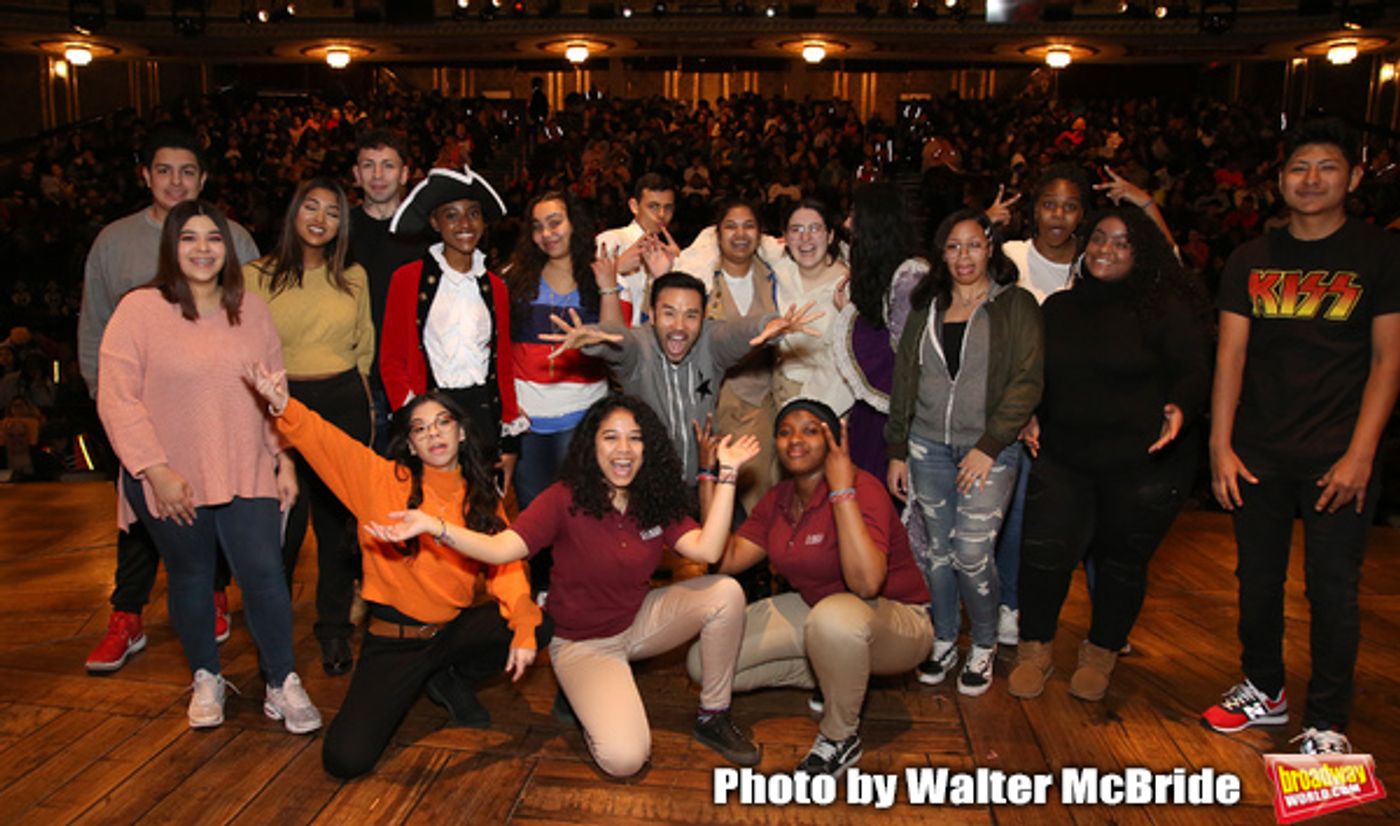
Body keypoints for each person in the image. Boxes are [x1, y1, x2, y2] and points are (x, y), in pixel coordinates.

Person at [363, 395, 764, 778]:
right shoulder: (563, 499)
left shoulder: (653, 498)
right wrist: (435, 526)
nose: (623, 449)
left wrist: (727, 473)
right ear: (592, 445)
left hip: (637, 620)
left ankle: (713, 715)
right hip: (583, 644)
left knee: (725, 592)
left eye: (635, 438)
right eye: (610, 437)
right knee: (625, 759)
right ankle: (586, 694)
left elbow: (709, 549)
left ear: (648, 448)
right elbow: (501, 549)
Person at [1201, 118, 1400, 755]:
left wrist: (1361, 455)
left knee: (1332, 590)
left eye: (1327, 167)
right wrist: (1220, 445)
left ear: (1354, 178)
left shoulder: (1380, 255)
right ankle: (1265, 688)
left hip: (1339, 453)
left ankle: (1327, 722)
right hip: (1257, 451)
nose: (1311, 179)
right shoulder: (1250, 258)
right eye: (1298, 168)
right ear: (1280, 180)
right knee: (1256, 580)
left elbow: (1388, 361)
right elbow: (1230, 357)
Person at [245, 365, 549, 779]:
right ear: (410, 444)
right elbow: (325, 441)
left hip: (451, 631)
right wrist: (283, 403)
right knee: (345, 760)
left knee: (540, 622)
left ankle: (449, 675)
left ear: (461, 432)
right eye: (420, 429)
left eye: (443, 422)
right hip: (395, 643)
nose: (434, 434)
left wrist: (525, 624)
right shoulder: (380, 479)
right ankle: (432, 676)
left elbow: (507, 570)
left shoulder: (481, 497)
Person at [96, 200, 318, 733]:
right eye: (189, 238)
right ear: (171, 248)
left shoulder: (252, 310)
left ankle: (281, 681)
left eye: (213, 238)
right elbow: (117, 398)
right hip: (171, 474)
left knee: (265, 574)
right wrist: (154, 470)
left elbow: (273, 392)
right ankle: (206, 676)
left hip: (246, 464)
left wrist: (284, 457)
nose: (202, 249)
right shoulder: (140, 309)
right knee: (192, 575)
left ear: (228, 248)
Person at [1008, 208, 1211, 702]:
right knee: (1043, 555)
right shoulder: (1058, 308)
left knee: (1121, 563)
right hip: (1063, 455)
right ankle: (1034, 651)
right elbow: (1034, 373)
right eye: (1099, 238)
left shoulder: (1167, 309)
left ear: (1141, 252)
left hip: (1142, 463)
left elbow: (1195, 370)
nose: (1106, 249)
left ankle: (1100, 653)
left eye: (1122, 242)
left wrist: (1181, 407)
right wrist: (1029, 411)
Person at [78, 127, 259, 673]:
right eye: (164, 170)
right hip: (139, 418)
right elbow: (94, 327)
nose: (175, 181)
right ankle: (126, 614)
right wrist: (108, 407)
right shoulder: (114, 242)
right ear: (145, 176)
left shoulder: (234, 238)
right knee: (139, 521)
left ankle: (213, 594)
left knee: (218, 504)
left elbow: (253, 325)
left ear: (203, 178)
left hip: (215, 412)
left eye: (186, 171)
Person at [698, 399, 931, 777]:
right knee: (706, 663)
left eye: (810, 431)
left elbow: (867, 584)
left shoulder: (863, 488)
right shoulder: (778, 498)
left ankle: (840, 737)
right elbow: (725, 558)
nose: (795, 439)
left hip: (899, 622)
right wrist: (710, 475)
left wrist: (841, 492)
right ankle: (839, 674)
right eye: (785, 432)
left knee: (833, 620)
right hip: (820, 613)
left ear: (833, 441)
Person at [885, 209, 1042, 696]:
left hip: (990, 451)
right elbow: (905, 381)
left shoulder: (1015, 305)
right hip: (926, 446)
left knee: (972, 554)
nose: (964, 256)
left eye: (973, 244)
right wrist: (897, 449)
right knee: (938, 553)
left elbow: (1028, 381)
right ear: (941, 253)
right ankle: (945, 638)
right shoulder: (926, 307)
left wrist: (989, 446)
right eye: (953, 246)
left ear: (991, 247)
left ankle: (985, 643)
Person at [246, 178, 374, 676]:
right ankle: (272, 636)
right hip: (281, 406)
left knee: (337, 529)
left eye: (333, 211)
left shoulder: (354, 277)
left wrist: (363, 404)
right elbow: (246, 350)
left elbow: (364, 345)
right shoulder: (256, 276)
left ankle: (335, 630)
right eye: (311, 207)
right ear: (294, 212)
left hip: (342, 402)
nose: (321, 219)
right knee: (282, 529)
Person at [542, 271, 821, 486]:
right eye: (669, 314)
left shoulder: (709, 342)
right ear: (652, 315)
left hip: (704, 479)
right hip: (647, 485)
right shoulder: (639, 347)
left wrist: (767, 325)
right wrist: (594, 339)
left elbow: (734, 333)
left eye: (691, 316)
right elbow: (620, 342)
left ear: (703, 318)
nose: (679, 326)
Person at [379, 167, 525, 493]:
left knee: (483, 506)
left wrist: (510, 437)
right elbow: (390, 359)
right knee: (432, 504)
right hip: (431, 413)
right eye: (452, 215)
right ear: (435, 222)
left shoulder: (496, 287)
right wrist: (413, 417)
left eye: (473, 214)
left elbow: (503, 364)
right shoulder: (407, 280)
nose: (465, 225)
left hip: (482, 413)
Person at [506, 191, 623, 510]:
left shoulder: (600, 279)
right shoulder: (514, 281)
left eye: (555, 222)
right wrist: (508, 408)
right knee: (534, 518)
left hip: (582, 421)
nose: (547, 233)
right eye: (537, 226)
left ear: (574, 224)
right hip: (527, 424)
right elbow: (499, 353)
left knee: (580, 516)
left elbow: (619, 346)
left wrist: (608, 287)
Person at [830, 183, 927, 484]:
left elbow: (905, 358)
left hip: (899, 417)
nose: (848, 224)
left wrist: (850, 315)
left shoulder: (910, 275)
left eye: (855, 216)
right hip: (874, 414)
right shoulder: (885, 269)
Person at [346, 129, 424, 452]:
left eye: (388, 165)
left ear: (404, 173)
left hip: (415, 379)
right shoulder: (340, 231)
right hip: (357, 381)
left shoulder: (426, 233)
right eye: (369, 165)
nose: (378, 175)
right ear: (356, 174)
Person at [771, 199, 852, 414]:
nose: (805, 238)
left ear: (830, 235)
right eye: (796, 230)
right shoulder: (778, 271)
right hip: (778, 391)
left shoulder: (847, 287)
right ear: (785, 237)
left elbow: (848, 362)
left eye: (815, 228)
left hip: (830, 399)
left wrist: (808, 411)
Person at [594, 173, 679, 325]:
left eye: (668, 208)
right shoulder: (612, 240)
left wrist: (679, 266)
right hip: (614, 334)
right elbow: (580, 292)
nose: (661, 215)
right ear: (634, 206)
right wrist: (618, 266)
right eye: (653, 206)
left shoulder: (669, 252)